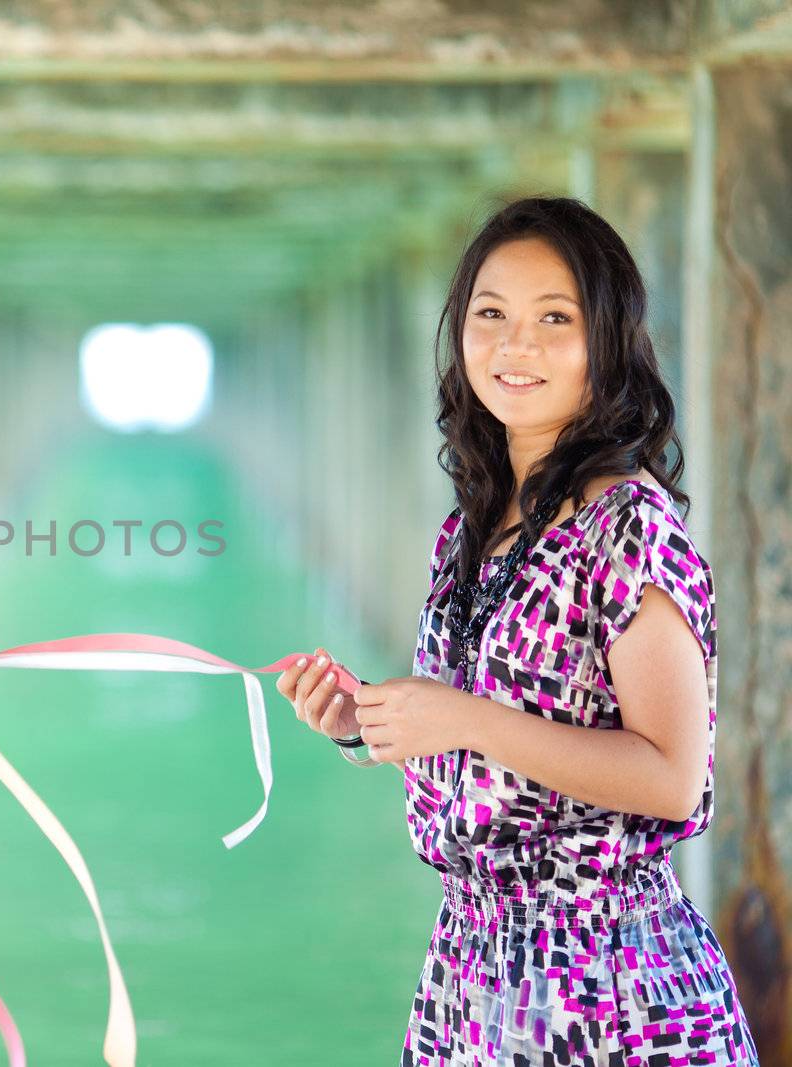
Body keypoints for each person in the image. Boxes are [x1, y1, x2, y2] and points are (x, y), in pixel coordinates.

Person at [278, 197, 759, 1065]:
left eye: (555, 319)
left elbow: (673, 777)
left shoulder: (628, 527)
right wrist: (370, 723)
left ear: (606, 342)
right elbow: (482, 746)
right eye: (490, 314)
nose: (515, 345)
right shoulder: (473, 526)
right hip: (473, 977)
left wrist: (463, 718)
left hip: (607, 987)